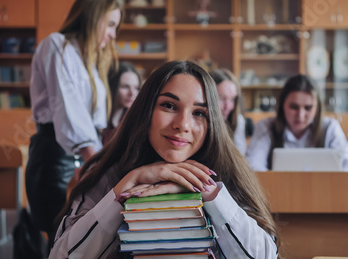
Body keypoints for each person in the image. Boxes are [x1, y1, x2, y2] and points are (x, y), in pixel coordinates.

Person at [49, 61, 280, 259]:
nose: (183, 125)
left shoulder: (227, 171)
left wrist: (210, 193)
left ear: (213, 124)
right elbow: (61, 255)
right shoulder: (107, 172)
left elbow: (267, 255)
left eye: (199, 113)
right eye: (169, 106)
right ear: (146, 111)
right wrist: (129, 184)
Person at [25, 0, 121, 251]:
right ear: (93, 16)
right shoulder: (57, 45)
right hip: (55, 159)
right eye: (111, 24)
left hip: (84, 156)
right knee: (60, 240)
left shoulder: (89, 62)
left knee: (79, 239)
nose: (113, 34)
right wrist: (98, 166)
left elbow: (94, 122)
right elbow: (67, 108)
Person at [246, 74, 348, 172]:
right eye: (294, 107)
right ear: (282, 105)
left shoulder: (330, 127)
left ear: (317, 108)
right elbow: (253, 166)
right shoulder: (266, 126)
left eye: (308, 108)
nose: (300, 115)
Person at [102, 61, 141, 144]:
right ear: (113, 87)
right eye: (125, 87)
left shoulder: (136, 121)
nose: (132, 93)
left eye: (136, 88)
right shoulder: (99, 116)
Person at [210, 68, 247, 155]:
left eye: (232, 99)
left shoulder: (238, 120)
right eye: (222, 98)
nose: (228, 107)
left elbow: (240, 155)